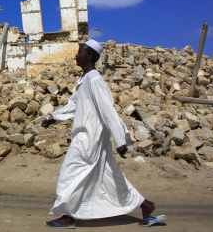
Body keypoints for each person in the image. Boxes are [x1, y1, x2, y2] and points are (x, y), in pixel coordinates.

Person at [41, 40, 166, 229]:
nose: (76, 55)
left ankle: (68, 216)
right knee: (109, 175)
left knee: (70, 173)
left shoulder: (95, 80)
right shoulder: (84, 81)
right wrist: (54, 117)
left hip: (89, 138)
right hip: (86, 135)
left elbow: (108, 110)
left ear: (89, 56)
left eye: (80, 52)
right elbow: (74, 105)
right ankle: (146, 205)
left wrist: (120, 139)